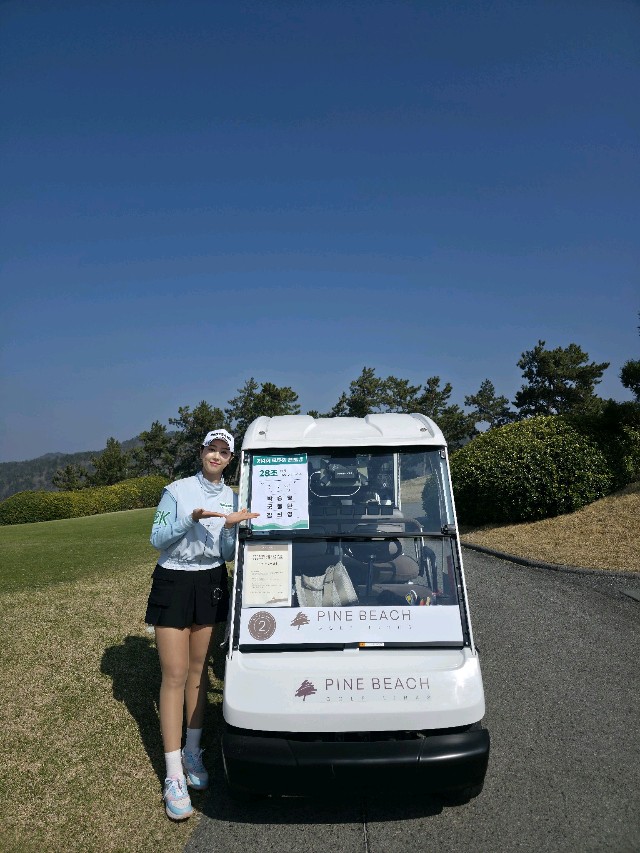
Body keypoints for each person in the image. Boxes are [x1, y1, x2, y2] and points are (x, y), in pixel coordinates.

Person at [145, 428, 258, 820]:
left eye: (224, 452)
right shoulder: (177, 490)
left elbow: (225, 554)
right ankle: (173, 773)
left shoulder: (232, 498)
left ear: (230, 460)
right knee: (174, 674)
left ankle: (192, 752)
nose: (216, 456)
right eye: (212, 449)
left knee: (197, 673)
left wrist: (229, 528)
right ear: (202, 451)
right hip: (174, 580)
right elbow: (157, 537)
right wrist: (190, 519)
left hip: (211, 580)